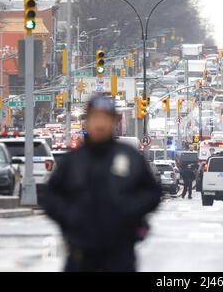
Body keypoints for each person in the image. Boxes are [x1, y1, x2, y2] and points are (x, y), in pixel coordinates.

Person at [43, 95, 162, 272]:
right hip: (80, 255)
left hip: (119, 255)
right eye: (95, 117)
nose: (100, 124)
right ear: (87, 121)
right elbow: (50, 197)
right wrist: (70, 217)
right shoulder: (74, 160)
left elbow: (152, 193)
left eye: (105, 118)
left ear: (113, 121)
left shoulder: (129, 157)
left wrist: (130, 212)